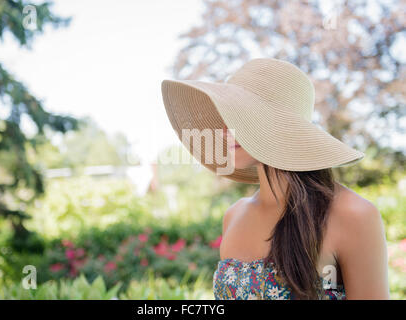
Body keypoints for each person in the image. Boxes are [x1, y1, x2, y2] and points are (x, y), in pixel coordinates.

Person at [160, 57, 389, 299]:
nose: (226, 130)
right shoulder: (234, 215)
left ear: (281, 126)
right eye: (226, 115)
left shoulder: (353, 214)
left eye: (242, 116)